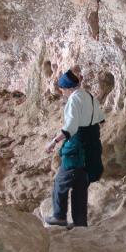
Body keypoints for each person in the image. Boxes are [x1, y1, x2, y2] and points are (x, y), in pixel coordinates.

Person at [45, 69, 105, 227]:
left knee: (61, 181)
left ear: (67, 88)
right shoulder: (90, 97)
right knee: (80, 186)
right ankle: (80, 222)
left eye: (62, 90)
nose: (62, 93)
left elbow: (70, 127)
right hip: (92, 146)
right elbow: (100, 119)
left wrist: (53, 142)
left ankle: (59, 217)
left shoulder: (74, 99)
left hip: (77, 147)